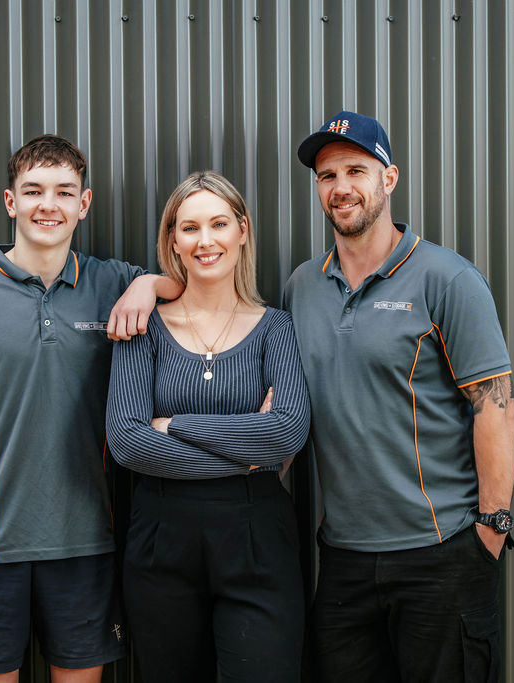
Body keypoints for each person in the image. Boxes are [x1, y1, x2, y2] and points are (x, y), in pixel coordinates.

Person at [0, 134, 182, 682]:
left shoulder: (111, 282)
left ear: (84, 204)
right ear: (11, 202)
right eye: (33, 191)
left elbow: (186, 285)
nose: (48, 205)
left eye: (64, 192)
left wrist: (148, 284)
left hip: (84, 541)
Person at [283, 111, 514, 682]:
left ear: (389, 180)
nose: (340, 188)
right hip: (341, 559)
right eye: (326, 175)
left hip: (441, 554)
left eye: (355, 170)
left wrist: (491, 528)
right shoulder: (301, 287)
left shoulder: (447, 279)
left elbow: (495, 407)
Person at [105, 171, 311, 682]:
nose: (205, 241)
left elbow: (286, 433)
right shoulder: (142, 327)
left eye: (218, 224)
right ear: (172, 239)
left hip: (257, 535)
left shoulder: (277, 328)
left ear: (242, 229)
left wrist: (174, 424)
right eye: (190, 227)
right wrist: (245, 446)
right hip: (160, 535)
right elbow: (127, 441)